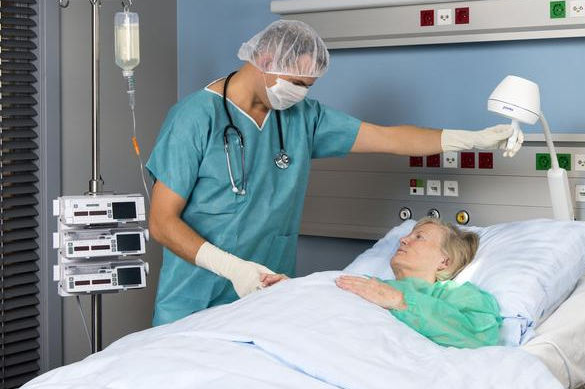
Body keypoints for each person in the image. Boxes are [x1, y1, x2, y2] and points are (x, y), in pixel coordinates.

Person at [147, 20, 524, 326]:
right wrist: (233, 269)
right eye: (295, 83)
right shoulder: (195, 118)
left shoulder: (302, 118)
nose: (300, 94)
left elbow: (389, 137)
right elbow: (162, 223)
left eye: (308, 87)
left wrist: (469, 139)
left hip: (266, 298)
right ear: (264, 59)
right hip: (194, 299)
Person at [335, 217, 501, 348]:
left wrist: (402, 302)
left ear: (444, 261)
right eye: (408, 235)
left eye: (419, 237)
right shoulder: (368, 284)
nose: (403, 239)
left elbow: (481, 338)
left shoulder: (459, 295)